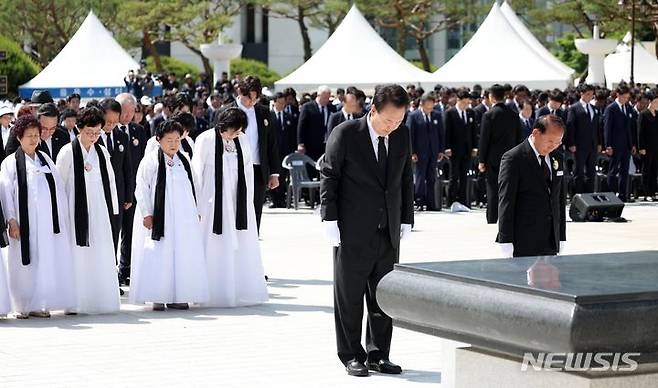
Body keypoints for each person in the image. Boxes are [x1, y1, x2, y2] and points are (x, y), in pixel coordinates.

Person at [320, 84, 414, 377]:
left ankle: (378, 353)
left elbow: (405, 179)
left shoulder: (401, 135)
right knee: (349, 296)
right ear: (373, 110)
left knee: (383, 296)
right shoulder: (347, 134)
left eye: (398, 121)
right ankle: (351, 354)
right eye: (388, 121)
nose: (393, 127)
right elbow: (330, 176)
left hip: (387, 229)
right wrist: (329, 220)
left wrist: (406, 218)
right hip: (351, 229)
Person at [0, 115, 76, 319]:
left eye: (36, 135)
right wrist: (12, 220)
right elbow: (6, 193)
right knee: (25, 262)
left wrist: (61, 218)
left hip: (47, 223)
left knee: (44, 261)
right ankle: (22, 304)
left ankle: (40, 302)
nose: (34, 140)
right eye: (29, 136)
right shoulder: (10, 163)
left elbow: (58, 189)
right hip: (25, 224)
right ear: (19, 138)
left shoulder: (46, 159)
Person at [192, 108, 268, 308]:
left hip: (237, 198)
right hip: (212, 198)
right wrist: (197, 204)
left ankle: (237, 287)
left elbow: (248, 170)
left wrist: (247, 202)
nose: (236, 134)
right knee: (212, 240)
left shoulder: (242, 141)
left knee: (239, 240)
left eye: (239, 131)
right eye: (234, 130)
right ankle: (210, 289)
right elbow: (197, 172)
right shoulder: (206, 139)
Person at [130, 120, 209, 311]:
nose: (173, 144)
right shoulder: (150, 161)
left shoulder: (184, 160)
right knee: (159, 253)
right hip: (161, 217)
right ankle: (158, 294)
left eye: (177, 140)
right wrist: (147, 213)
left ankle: (180, 294)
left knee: (183, 254)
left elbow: (195, 186)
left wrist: (197, 210)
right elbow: (141, 187)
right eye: (169, 140)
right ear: (159, 140)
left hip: (183, 217)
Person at [56, 106, 120, 314]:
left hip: (99, 209)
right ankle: (75, 301)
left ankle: (100, 299)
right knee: (78, 254)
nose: (93, 137)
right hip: (75, 209)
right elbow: (60, 184)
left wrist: (114, 209)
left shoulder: (101, 152)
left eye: (97, 133)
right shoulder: (67, 152)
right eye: (89, 132)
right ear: (79, 129)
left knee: (100, 250)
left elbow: (110, 182)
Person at [497, 115, 567, 258]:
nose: (552, 146)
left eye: (557, 143)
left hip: (550, 239)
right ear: (536, 133)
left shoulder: (557, 157)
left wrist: (561, 236)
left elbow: (559, 199)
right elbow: (506, 201)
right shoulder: (514, 158)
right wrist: (506, 241)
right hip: (524, 239)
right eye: (550, 141)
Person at [221, 76, 280, 231]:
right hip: (233, 168)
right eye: (248, 97)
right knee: (234, 208)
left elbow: (271, 144)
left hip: (257, 169)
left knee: (255, 210)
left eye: (255, 98)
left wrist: (274, 173)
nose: (251, 102)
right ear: (240, 92)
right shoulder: (226, 111)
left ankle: (253, 242)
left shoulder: (264, 113)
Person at [115, 93, 149, 285]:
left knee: (130, 229)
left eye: (131, 112)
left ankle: (126, 268)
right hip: (117, 188)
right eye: (124, 112)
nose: (127, 116)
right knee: (115, 229)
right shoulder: (109, 131)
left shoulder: (139, 130)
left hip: (135, 188)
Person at [478, 84, 524, 224]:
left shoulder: (488, 115)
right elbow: (519, 138)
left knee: (492, 188)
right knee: (508, 188)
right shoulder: (513, 114)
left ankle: (492, 217)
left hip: (493, 158)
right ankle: (507, 216)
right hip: (511, 157)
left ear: (491, 97)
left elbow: (484, 139)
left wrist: (481, 160)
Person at [98, 99, 133, 253]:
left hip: (117, 195)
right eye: (108, 121)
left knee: (115, 233)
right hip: (98, 193)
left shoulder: (122, 137)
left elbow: (127, 168)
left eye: (114, 121)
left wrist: (128, 195)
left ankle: (113, 269)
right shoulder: (93, 138)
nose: (111, 125)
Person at [407, 91, 443, 211]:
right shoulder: (413, 116)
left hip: (433, 151)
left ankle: (431, 202)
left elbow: (441, 134)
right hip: (420, 152)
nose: (431, 106)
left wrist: (441, 150)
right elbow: (410, 135)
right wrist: (412, 152)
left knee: (432, 177)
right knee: (420, 177)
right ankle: (419, 200)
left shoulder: (437, 115)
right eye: (429, 103)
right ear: (422, 103)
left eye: (432, 103)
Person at [444, 89, 478, 207]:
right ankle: (451, 201)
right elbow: (447, 132)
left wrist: (475, 147)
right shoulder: (450, 113)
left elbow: (474, 131)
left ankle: (463, 201)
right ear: (458, 100)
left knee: (464, 176)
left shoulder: (470, 113)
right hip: (454, 149)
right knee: (454, 176)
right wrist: (447, 147)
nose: (466, 105)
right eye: (464, 103)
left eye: (467, 103)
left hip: (467, 150)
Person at [604, 84, 636, 202]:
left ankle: (623, 195)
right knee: (613, 171)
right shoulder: (611, 108)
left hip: (626, 145)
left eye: (627, 97)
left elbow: (631, 128)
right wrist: (608, 145)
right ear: (618, 95)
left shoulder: (628, 108)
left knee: (624, 171)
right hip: (615, 145)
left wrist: (632, 144)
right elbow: (607, 128)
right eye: (624, 97)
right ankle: (611, 195)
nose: (625, 99)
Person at [566, 84, 600, 194]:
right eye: (588, 94)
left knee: (591, 172)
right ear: (582, 94)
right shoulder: (574, 108)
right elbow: (570, 126)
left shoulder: (594, 108)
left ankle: (589, 195)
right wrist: (571, 143)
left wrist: (599, 142)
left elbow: (597, 127)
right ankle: (577, 195)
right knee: (578, 172)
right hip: (579, 145)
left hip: (592, 145)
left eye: (591, 94)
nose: (590, 96)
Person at [270, 92, 298, 208]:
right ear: (275, 102)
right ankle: (274, 200)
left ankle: (282, 199)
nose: (282, 105)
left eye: (283, 103)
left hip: (285, 151)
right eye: (280, 102)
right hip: (273, 151)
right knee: (272, 175)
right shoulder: (269, 116)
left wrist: (293, 150)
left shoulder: (288, 116)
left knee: (283, 175)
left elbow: (293, 135)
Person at [297, 85, 336, 164]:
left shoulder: (332, 108)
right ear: (318, 96)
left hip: (326, 145)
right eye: (324, 98)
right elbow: (301, 126)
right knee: (311, 168)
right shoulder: (307, 107)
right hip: (311, 144)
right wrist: (300, 143)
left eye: (328, 98)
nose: (326, 100)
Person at [638, 90, 658, 201]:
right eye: (656, 102)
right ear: (650, 101)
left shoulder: (657, 115)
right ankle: (646, 193)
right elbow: (640, 132)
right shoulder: (643, 114)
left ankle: (653, 191)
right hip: (646, 147)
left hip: (656, 147)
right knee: (646, 170)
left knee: (654, 170)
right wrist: (641, 147)